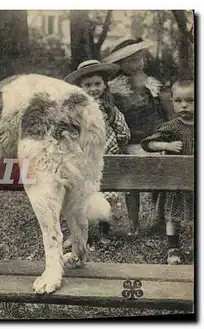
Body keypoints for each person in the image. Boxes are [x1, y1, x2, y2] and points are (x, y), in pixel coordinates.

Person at [103, 37, 170, 235]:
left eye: (140, 59)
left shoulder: (151, 85)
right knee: (132, 184)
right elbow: (117, 117)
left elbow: (159, 113)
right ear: (120, 64)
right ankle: (134, 224)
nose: (138, 64)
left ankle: (159, 218)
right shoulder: (115, 90)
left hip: (154, 139)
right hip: (131, 142)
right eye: (132, 60)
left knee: (163, 176)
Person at [64, 59, 131, 246]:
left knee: (105, 193)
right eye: (88, 85)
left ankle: (104, 233)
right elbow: (70, 131)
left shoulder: (110, 108)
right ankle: (76, 234)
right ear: (80, 88)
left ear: (104, 85)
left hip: (106, 156)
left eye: (97, 84)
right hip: (83, 158)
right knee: (78, 195)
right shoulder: (75, 111)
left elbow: (123, 130)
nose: (93, 89)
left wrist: (118, 143)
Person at [140, 80, 194, 264]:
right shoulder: (172, 126)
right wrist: (167, 145)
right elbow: (148, 143)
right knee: (173, 216)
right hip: (175, 182)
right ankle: (173, 248)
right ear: (171, 100)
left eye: (191, 100)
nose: (184, 105)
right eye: (179, 101)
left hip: (195, 180)